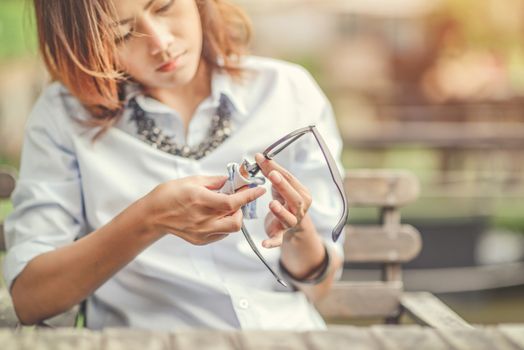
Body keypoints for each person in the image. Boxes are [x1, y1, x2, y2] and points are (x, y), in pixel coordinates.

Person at [3, 0, 345, 330]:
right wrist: (148, 219)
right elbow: (31, 299)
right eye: (121, 33)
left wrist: (299, 230)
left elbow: (320, 288)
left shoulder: (287, 92)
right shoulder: (64, 117)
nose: (161, 44)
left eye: (164, 6)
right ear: (82, 45)